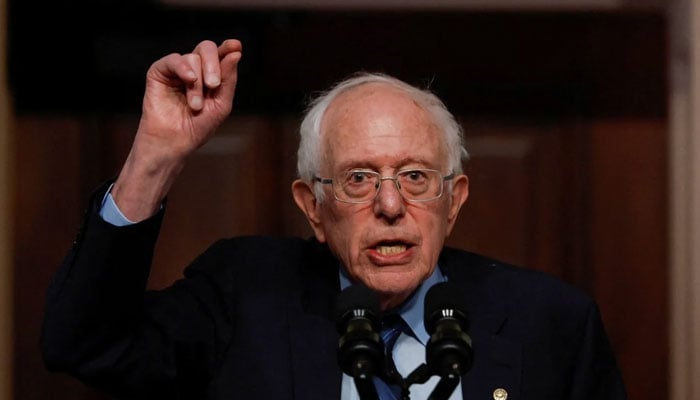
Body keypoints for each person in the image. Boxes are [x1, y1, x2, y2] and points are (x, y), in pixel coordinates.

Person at [40, 39, 627, 400]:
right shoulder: (245, 298)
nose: (391, 206)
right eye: (359, 179)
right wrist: (155, 155)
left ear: (455, 200)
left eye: (416, 178)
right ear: (312, 207)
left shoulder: (550, 324)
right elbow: (86, 345)